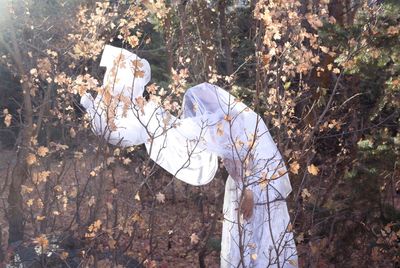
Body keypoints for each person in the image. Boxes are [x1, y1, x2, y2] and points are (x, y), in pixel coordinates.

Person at [81, 45, 298, 267]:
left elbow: (261, 154)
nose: (199, 115)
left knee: (264, 242)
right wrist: (148, 116)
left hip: (262, 189)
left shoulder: (242, 120)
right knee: (243, 244)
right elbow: (186, 132)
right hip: (242, 188)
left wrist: (251, 192)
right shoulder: (219, 125)